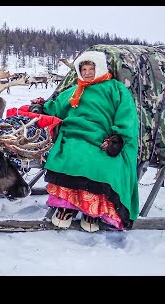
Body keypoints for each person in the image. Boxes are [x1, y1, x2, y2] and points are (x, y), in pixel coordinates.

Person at [32, 50, 139, 232]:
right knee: (70, 153)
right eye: (84, 69)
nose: (87, 73)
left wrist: (118, 138)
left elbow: (127, 117)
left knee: (100, 161)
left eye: (91, 68)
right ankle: (66, 207)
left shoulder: (116, 88)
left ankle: (92, 210)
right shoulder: (74, 90)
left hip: (101, 137)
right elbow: (55, 108)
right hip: (73, 134)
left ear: (100, 68)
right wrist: (40, 107)